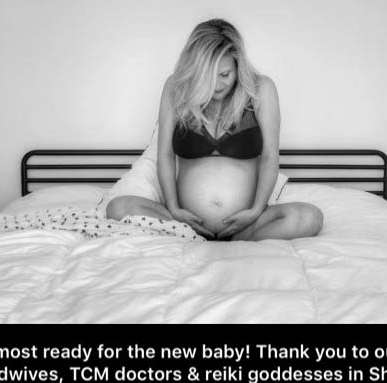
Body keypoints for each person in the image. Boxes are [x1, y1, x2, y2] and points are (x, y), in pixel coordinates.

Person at [107, 18, 323, 241]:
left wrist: (256, 210)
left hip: (247, 224)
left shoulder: (261, 89)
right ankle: (184, 232)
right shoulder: (176, 87)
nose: (218, 84)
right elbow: (165, 154)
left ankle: (241, 238)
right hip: (185, 223)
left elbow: (270, 156)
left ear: (238, 66)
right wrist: (173, 209)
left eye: (225, 74)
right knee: (118, 207)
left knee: (309, 218)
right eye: (208, 77)